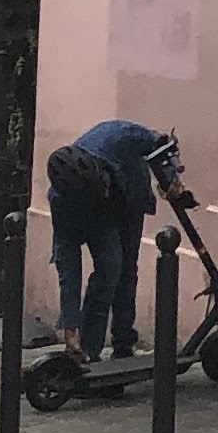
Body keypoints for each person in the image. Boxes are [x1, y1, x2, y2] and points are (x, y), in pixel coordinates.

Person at [45, 119, 180, 359]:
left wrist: (170, 180)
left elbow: (159, 145)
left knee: (125, 269)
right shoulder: (61, 201)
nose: (105, 191)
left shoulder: (117, 135)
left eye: (103, 185)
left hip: (130, 197)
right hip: (97, 214)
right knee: (109, 269)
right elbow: (68, 266)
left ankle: (123, 344)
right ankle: (88, 350)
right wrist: (69, 328)